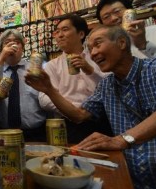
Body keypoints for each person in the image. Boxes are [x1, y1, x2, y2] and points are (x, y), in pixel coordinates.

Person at [25, 25, 156, 189]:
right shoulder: (107, 85)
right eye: (89, 49)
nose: (93, 53)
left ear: (121, 43)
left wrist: (120, 139)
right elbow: (79, 115)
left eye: (97, 44)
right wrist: (50, 90)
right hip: (131, 184)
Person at [38, 15, 112, 143]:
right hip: (67, 124)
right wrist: (75, 110)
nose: (59, 35)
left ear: (81, 34)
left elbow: (111, 88)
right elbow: (44, 100)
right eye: (57, 32)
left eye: (65, 29)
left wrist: (90, 71)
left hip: (101, 120)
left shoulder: (99, 57)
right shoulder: (51, 65)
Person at [0, 29, 49, 142]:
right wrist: (1, 58)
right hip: (6, 133)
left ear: (22, 47)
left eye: (16, 42)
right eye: (7, 43)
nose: (12, 45)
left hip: (36, 132)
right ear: (2, 48)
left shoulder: (34, 68)